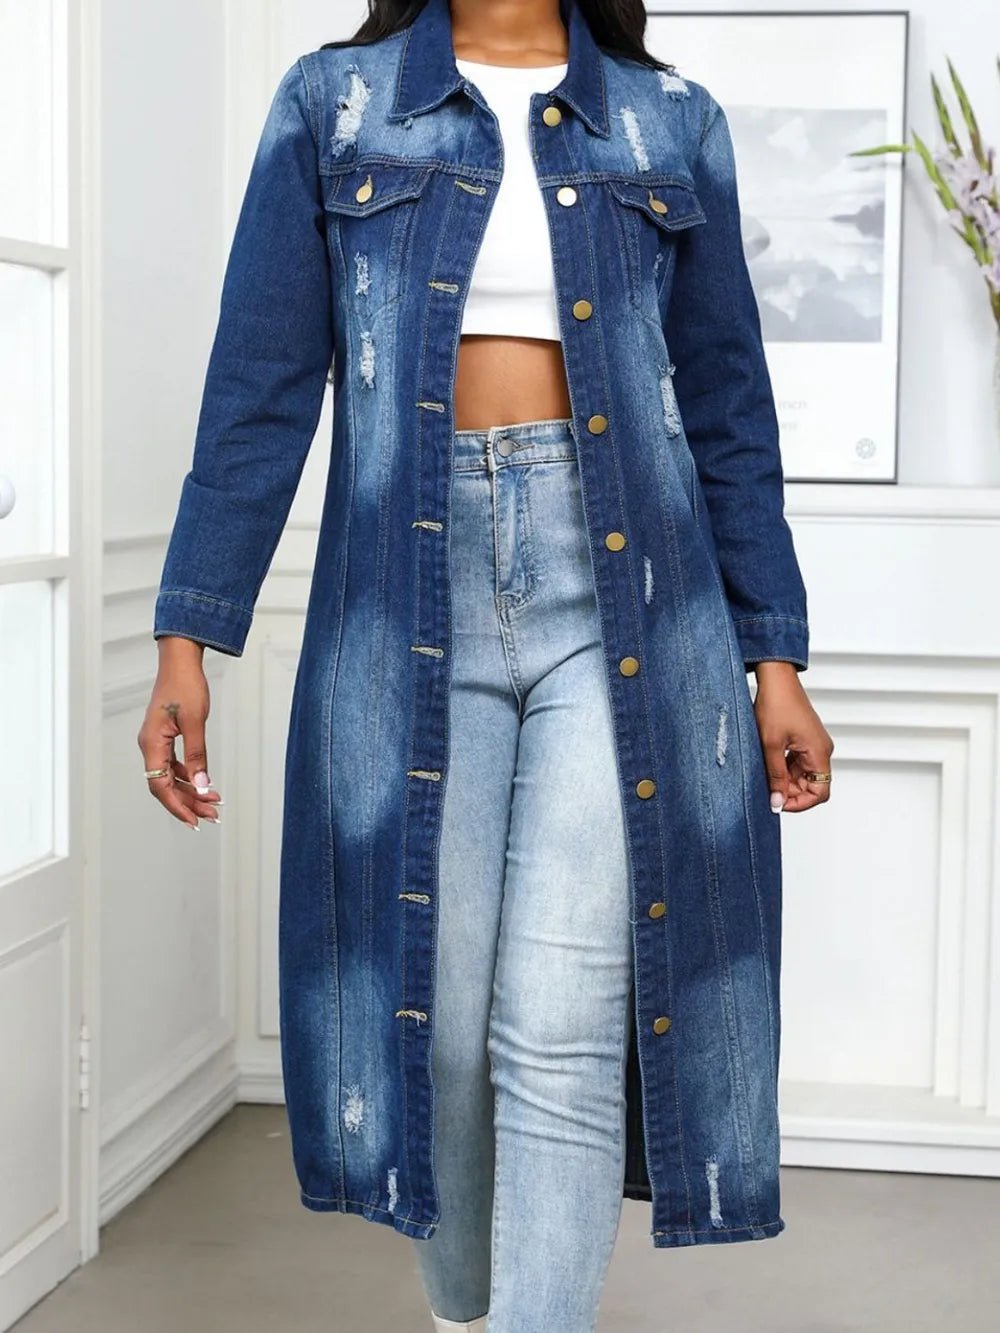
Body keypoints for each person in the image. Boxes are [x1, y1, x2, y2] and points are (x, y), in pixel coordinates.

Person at [138, 1, 834, 1329]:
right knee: (438, 1028)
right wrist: (189, 635)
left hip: (631, 599)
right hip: (407, 593)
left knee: (561, 1031)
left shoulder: (669, 119)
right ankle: (467, 1312)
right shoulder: (333, 104)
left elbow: (728, 405)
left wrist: (773, 655)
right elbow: (258, 386)